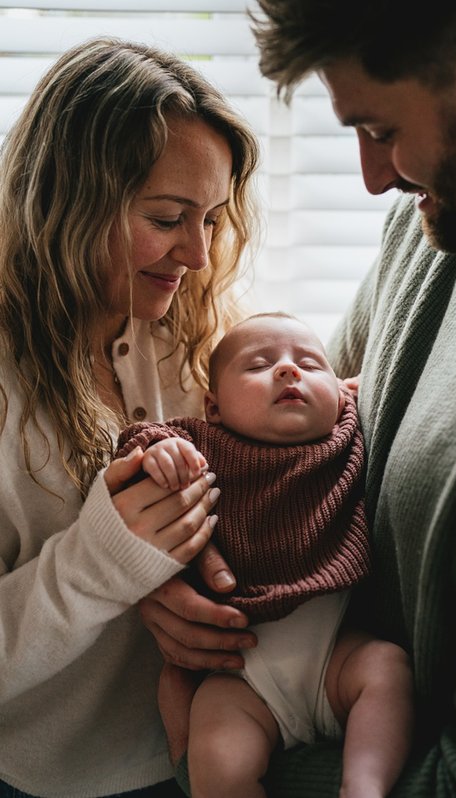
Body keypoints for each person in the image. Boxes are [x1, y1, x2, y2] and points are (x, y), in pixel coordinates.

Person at [137, 1, 456, 794]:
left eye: (381, 131)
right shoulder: (430, 228)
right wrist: (158, 567)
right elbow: (301, 407)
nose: (371, 177)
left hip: (345, 701)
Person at [0, 37, 256, 798]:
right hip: (50, 779)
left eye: (211, 218)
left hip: (207, 751)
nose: (200, 256)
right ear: (70, 202)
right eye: (171, 217)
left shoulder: (193, 329)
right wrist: (101, 567)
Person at [117, 313, 411, 798]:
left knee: (388, 670)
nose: (289, 371)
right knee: (218, 762)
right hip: (243, 676)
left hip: (335, 655)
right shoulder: (202, 446)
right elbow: (139, 441)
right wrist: (158, 450)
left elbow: (365, 390)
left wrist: (356, 393)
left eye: (311, 365)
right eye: (259, 365)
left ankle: (363, 785)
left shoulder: (346, 436)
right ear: (213, 406)